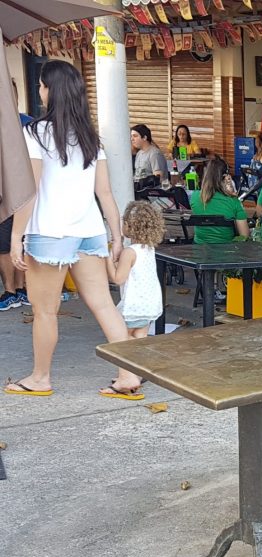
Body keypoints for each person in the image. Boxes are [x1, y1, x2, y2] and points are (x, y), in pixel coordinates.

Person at [4, 60, 144, 399]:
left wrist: (15, 236)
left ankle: (40, 378)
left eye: (41, 85)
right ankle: (128, 375)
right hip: (89, 231)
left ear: (51, 91)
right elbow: (106, 194)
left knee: (45, 312)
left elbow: (30, 192)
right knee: (103, 305)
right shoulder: (91, 138)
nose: (39, 90)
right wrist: (115, 237)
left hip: (50, 233)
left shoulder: (35, 133)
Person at [105, 201, 164, 339]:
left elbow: (117, 279)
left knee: (122, 339)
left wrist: (107, 258)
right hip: (150, 305)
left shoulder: (129, 252)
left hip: (134, 307)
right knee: (140, 336)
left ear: (129, 226)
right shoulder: (149, 249)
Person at [0, 79, 31, 311]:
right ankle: (14, 289)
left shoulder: (28, 125)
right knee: (7, 243)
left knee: (16, 241)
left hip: (24, 193)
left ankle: (16, 290)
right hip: (5, 195)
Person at [189, 157, 250, 244]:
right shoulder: (233, 201)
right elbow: (244, 235)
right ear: (225, 177)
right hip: (227, 252)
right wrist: (231, 189)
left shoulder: (195, 197)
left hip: (200, 252)